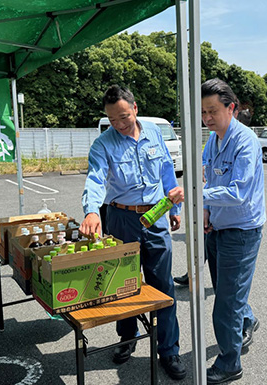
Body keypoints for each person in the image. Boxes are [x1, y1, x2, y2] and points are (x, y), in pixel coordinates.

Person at [83, 85, 187, 380]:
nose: (119, 124)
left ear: (135, 108)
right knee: (123, 285)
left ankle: (169, 350)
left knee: (163, 286)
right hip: (121, 219)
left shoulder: (154, 132)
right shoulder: (103, 144)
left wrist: (174, 209)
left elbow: (168, 171)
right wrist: (91, 210)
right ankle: (127, 339)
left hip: (155, 217)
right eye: (112, 119)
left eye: (123, 117)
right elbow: (95, 179)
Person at [200, 78, 266, 384]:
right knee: (229, 290)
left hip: (241, 231)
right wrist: (205, 213)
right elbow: (210, 183)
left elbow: (238, 192)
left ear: (232, 108)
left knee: (225, 303)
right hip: (218, 227)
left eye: (213, 110)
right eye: (203, 112)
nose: (207, 117)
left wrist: (194, 196)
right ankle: (247, 320)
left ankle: (229, 363)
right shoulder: (211, 141)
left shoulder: (245, 141)